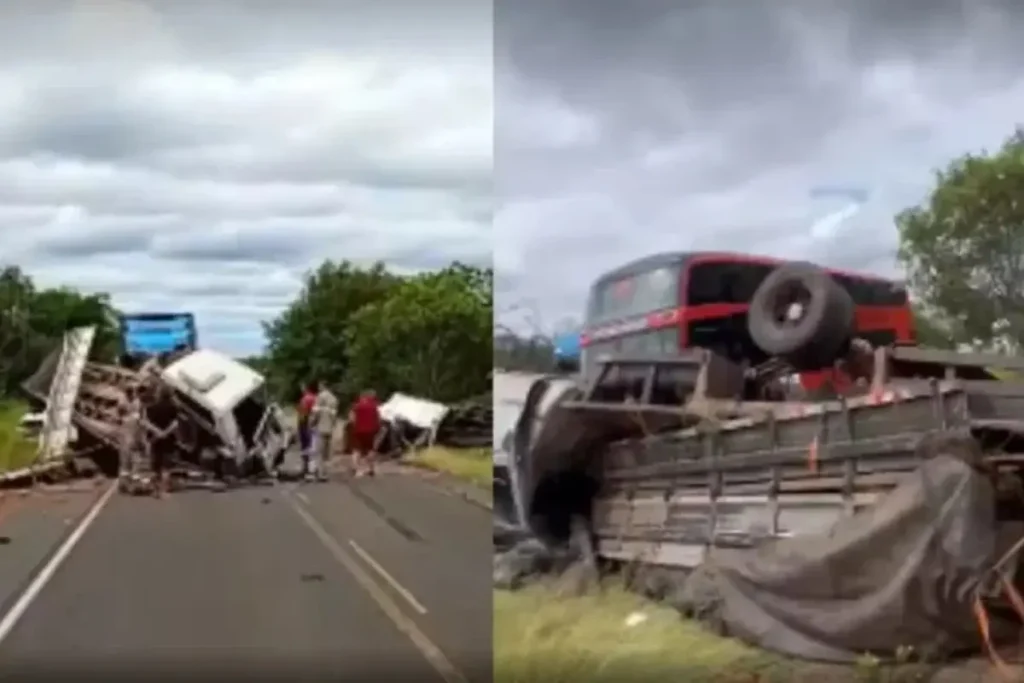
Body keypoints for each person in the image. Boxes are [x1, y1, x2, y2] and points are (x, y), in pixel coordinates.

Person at [142, 385, 179, 498]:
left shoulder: (149, 408)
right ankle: (165, 490)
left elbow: (145, 422)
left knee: (155, 465)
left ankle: (155, 489)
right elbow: (175, 423)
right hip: (168, 439)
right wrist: (165, 432)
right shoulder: (174, 407)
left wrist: (157, 432)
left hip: (154, 439)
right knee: (166, 466)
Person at [308, 380, 338, 482]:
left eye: (319, 386)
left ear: (322, 386)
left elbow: (315, 412)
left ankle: (320, 474)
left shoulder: (320, 397)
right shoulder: (334, 398)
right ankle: (325, 472)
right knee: (326, 453)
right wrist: (333, 425)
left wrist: (311, 423)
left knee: (318, 452)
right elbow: (334, 415)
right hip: (329, 428)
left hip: (320, 427)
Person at [349, 389, 381, 478]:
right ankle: (371, 468)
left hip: (358, 431)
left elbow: (351, 419)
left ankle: (358, 470)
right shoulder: (374, 406)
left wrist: (354, 426)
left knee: (356, 450)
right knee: (370, 450)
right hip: (370, 431)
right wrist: (377, 430)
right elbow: (377, 420)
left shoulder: (356, 406)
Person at [296, 383, 317, 477]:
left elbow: (303, 413)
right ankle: (311, 468)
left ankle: (306, 468)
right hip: (313, 425)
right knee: (312, 446)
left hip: (305, 425)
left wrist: (301, 425)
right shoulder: (315, 398)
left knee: (306, 447)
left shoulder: (305, 399)